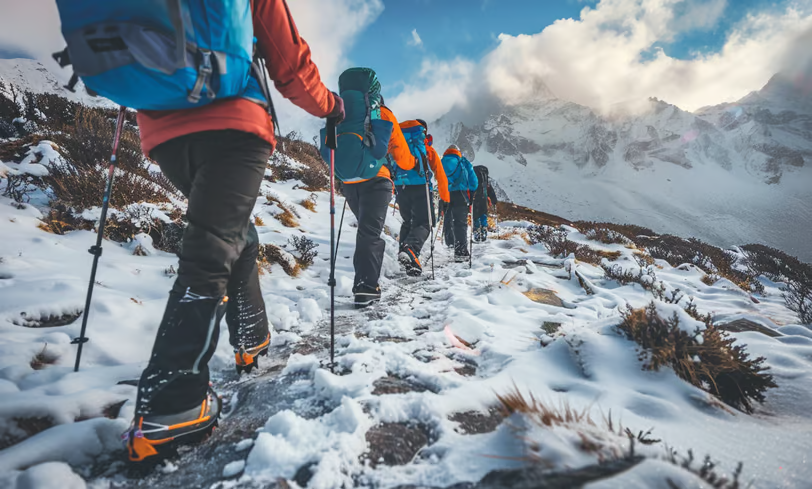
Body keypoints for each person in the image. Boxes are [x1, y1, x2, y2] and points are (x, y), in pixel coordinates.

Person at [124, 0, 343, 462]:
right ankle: (174, 404)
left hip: (162, 130)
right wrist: (330, 106)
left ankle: (251, 336)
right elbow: (289, 63)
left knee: (232, 234)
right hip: (231, 124)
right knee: (211, 250)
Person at [336, 73, 414, 308]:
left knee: (365, 230)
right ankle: (366, 287)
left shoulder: (339, 112)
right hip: (377, 180)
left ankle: (365, 284)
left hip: (349, 181)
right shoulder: (383, 113)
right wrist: (413, 165)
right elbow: (401, 156)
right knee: (369, 233)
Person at [393, 120, 450, 276]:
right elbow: (440, 173)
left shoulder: (399, 143)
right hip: (421, 186)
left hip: (401, 185)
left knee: (407, 221)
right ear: (423, 132)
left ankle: (407, 258)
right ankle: (411, 250)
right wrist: (445, 198)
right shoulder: (425, 148)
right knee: (425, 222)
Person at [440, 145, 478, 262]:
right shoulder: (463, 162)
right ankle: (460, 252)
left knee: (447, 217)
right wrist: (471, 192)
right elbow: (473, 181)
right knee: (460, 223)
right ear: (458, 152)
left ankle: (449, 241)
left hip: (445, 194)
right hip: (460, 195)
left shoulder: (441, 161)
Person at [472, 165, 498, 242]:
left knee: (476, 216)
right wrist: (494, 201)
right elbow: (490, 190)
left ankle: (477, 232)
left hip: (475, 199)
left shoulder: (474, 177)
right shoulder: (485, 179)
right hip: (484, 199)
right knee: (483, 215)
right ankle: (483, 232)